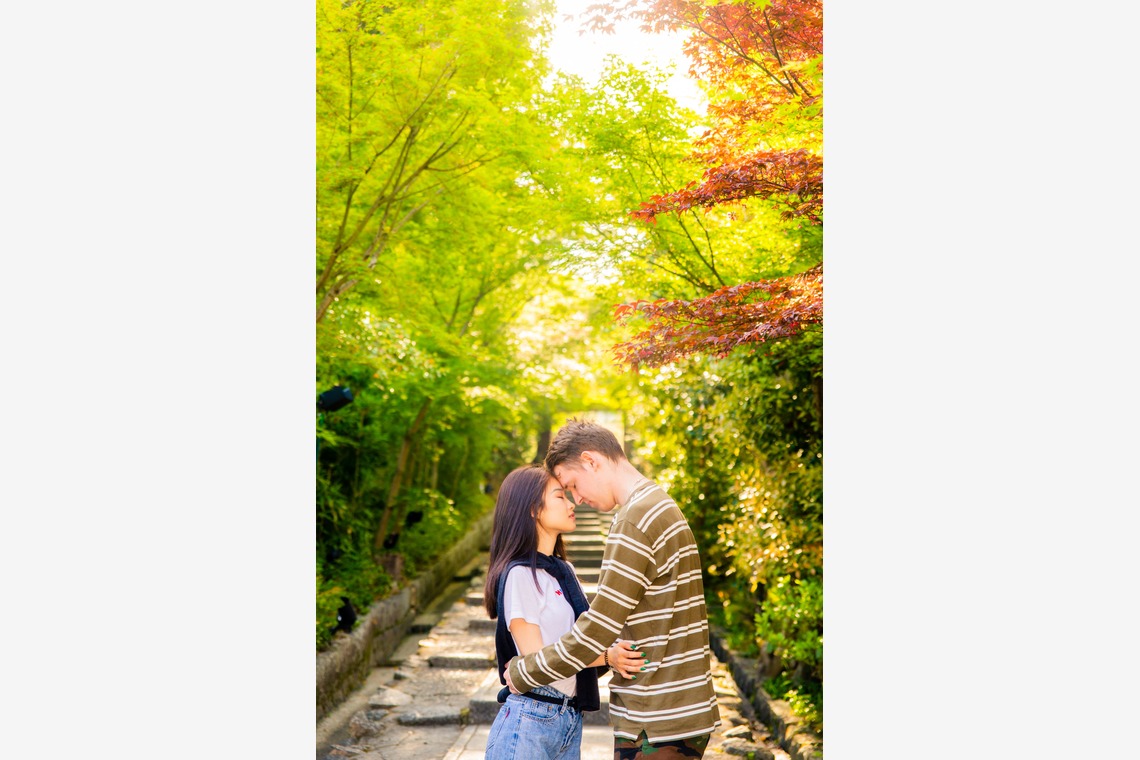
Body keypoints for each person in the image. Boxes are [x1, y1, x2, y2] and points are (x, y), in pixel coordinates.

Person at [504, 420, 721, 759]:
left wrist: (524, 671)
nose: (577, 498)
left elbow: (597, 629)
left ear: (591, 461)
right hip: (681, 709)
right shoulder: (661, 504)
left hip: (655, 716)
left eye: (572, 484)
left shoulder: (634, 520)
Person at [483, 464, 643, 760]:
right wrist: (608, 656)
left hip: (569, 719)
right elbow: (538, 659)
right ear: (533, 509)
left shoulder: (563, 571)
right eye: (560, 496)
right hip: (530, 719)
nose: (572, 504)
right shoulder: (520, 574)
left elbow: (581, 639)